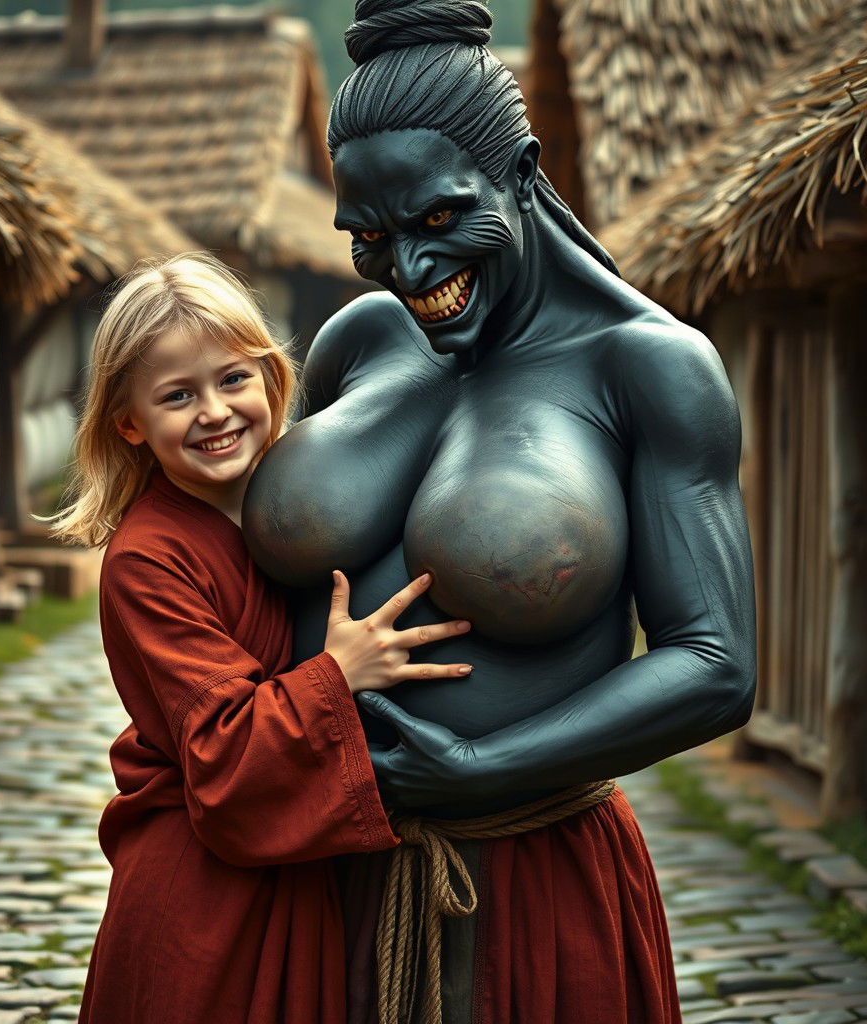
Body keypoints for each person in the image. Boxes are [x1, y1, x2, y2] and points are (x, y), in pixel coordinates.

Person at [241, 2, 758, 1022]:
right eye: (371, 238)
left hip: (528, 893)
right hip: (314, 884)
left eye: (439, 221)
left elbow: (714, 663)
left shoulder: (646, 368)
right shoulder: (358, 343)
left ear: (520, 172)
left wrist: (476, 768)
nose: (412, 270)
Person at [50, 253, 474, 1024]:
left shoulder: (312, 497)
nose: (214, 411)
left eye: (233, 379)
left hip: (308, 868)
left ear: (274, 380)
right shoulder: (149, 560)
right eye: (178, 396)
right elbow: (222, 747)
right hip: (207, 898)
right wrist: (336, 675)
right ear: (129, 424)